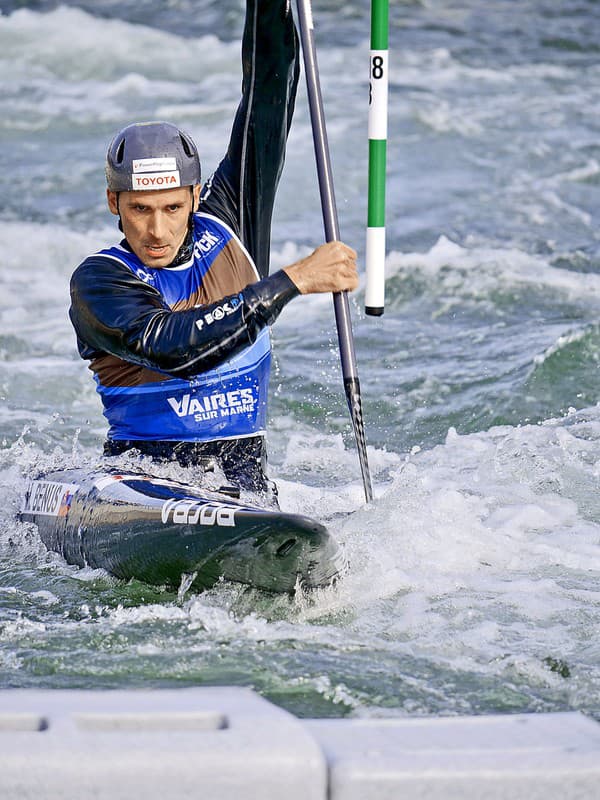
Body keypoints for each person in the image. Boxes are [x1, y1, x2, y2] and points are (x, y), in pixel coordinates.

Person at [69, 0, 358, 498]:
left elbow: (268, 92)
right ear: (113, 202)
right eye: (140, 210)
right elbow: (174, 349)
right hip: (142, 488)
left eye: (172, 208)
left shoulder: (229, 225)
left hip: (248, 491)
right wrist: (293, 281)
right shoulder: (98, 281)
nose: (157, 230)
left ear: (195, 197)